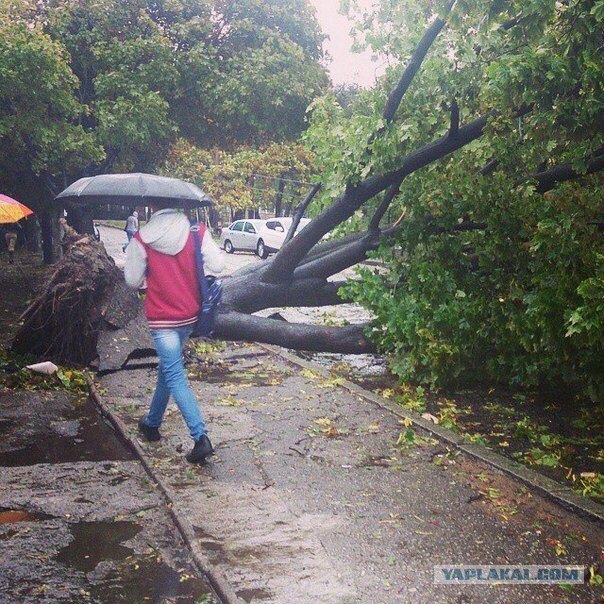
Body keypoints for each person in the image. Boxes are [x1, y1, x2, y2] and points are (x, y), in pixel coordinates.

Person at [124, 205, 225, 464]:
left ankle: (200, 437)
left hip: (162, 318)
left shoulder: (141, 238)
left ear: (153, 206)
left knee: (174, 373)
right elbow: (218, 264)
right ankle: (151, 423)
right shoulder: (196, 232)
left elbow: (132, 281)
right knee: (168, 370)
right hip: (189, 316)